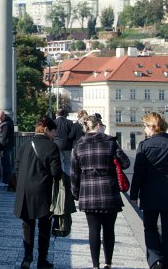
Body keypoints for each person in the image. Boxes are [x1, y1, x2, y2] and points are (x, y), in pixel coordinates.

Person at [129, 112, 168, 269]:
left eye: (145, 126)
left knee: (150, 226)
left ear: (152, 127)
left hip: (150, 194)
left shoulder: (144, 146)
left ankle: (156, 259)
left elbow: (138, 173)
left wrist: (134, 194)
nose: (144, 129)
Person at [71, 115, 131, 269]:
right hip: (109, 192)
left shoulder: (79, 145)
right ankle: (108, 263)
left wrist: (76, 193)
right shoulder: (110, 142)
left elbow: (74, 173)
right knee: (109, 230)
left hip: (88, 192)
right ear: (98, 126)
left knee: (93, 229)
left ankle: (95, 265)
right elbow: (126, 163)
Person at [14, 115, 62, 269]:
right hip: (43, 192)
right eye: (53, 132)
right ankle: (42, 261)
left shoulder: (25, 144)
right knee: (44, 228)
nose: (54, 135)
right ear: (46, 129)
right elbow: (56, 172)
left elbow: (17, 168)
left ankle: (27, 258)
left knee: (27, 226)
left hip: (25, 192)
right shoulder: (51, 147)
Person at [0, 110, 16, 189]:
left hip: (5, 146)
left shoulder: (6, 124)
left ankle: (6, 181)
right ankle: (6, 181)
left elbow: (4, 137)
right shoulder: (7, 121)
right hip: (7, 146)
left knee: (6, 164)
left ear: (3, 115)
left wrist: (1, 149)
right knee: (6, 164)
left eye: (0, 117)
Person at [53, 108, 75, 176]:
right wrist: (67, 139)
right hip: (67, 145)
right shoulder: (70, 122)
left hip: (57, 145)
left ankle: (61, 179)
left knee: (60, 162)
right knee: (68, 163)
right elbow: (72, 134)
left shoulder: (53, 122)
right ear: (64, 114)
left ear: (56, 114)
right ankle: (67, 179)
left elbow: (51, 134)